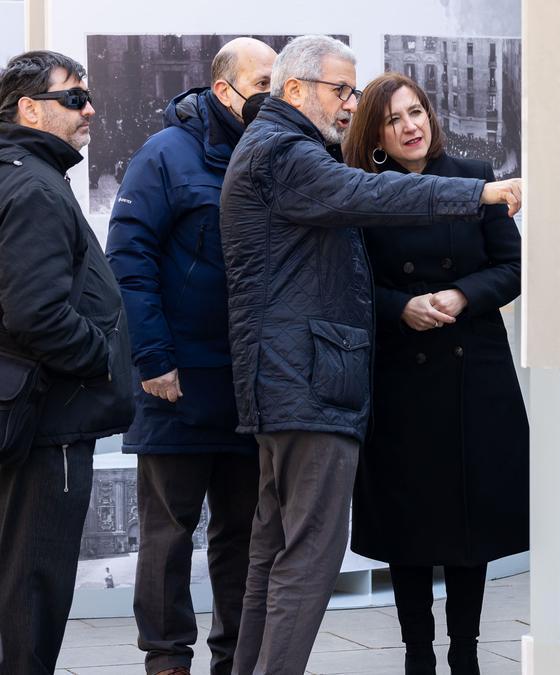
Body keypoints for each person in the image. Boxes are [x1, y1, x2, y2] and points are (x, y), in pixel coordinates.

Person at [218, 36, 522, 674]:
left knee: (273, 558)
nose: (350, 105)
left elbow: (504, 267)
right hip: (305, 386)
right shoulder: (285, 153)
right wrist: (482, 197)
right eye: (343, 91)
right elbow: (378, 197)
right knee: (304, 563)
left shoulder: (276, 148)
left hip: (295, 384)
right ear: (296, 90)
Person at [342, 73, 528, 675]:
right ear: (374, 135)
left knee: (468, 524)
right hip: (402, 378)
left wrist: (459, 295)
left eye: (416, 112)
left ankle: (466, 655)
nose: (410, 126)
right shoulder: (362, 192)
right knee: (410, 526)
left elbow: (512, 267)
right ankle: (418, 655)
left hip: (473, 372)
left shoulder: (475, 176)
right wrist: (401, 307)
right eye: (394, 120)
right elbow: (347, 284)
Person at [105, 37, 277, 675]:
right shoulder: (166, 155)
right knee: (169, 532)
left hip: (249, 386)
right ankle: (167, 658)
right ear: (224, 89)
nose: (273, 94)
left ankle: (232, 657)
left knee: (243, 534)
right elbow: (129, 261)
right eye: (263, 82)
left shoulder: (276, 154)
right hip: (174, 383)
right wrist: (152, 360)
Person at [0, 50, 134, 674]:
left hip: (32, 417)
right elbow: (38, 314)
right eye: (74, 99)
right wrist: (99, 358)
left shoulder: (23, 174)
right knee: (33, 587)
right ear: (30, 108)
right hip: (49, 424)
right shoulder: (31, 185)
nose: (90, 110)